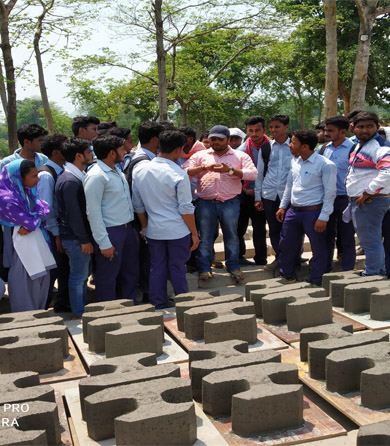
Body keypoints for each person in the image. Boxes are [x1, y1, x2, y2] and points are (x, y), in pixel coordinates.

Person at [133, 130, 199, 309]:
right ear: (178, 150)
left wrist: (145, 227)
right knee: (177, 266)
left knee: (157, 266)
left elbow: (137, 205)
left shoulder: (140, 170)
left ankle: (158, 301)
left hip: (154, 229)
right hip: (177, 230)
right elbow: (186, 208)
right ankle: (184, 302)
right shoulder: (178, 173)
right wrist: (194, 232)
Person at [183, 125, 257, 282]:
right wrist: (203, 168)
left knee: (231, 235)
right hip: (205, 202)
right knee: (205, 236)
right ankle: (204, 267)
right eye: (213, 139)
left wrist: (230, 171)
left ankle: (233, 266)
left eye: (219, 139)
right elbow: (184, 171)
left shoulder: (239, 156)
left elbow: (253, 174)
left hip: (230, 202)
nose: (215, 142)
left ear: (228, 140)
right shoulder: (201, 155)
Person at [276, 130, 337, 286]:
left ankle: (316, 279)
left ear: (304, 146)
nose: (290, 145)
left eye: (293, 143)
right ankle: (287, 275)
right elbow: (290, 185)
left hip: (314, 212)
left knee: (319, 247)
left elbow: (330, 193)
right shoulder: (295, 161)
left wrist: (324, 217)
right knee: (286, 244)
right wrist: (283, 206)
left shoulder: (326, 165)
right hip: (294, 211)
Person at [83, 134, 139, 302]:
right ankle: (108, 313)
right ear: (112, 153)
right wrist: (103, 242)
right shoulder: (96, 176)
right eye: (122, 149)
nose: (125, 151)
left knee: (130, 272)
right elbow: (93, 212)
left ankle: (129, 307)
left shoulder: (117, 171)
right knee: (107, 276)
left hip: (127, 229)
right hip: (111, 232)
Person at [0, 159, 55, 311]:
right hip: (20, 250)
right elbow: (33, 219)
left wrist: (34, 220)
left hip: (36, 244)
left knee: (41, 283)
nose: (38, 179)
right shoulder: (5, 198)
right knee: (24, 285)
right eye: (34, 176)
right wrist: (35, 220)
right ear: (19, 177)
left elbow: (45, 209)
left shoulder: (26, 191)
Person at [345, 111, 390, 276]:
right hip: (365, 200)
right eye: (360, 127)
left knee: (370, 241)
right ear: (353, 128)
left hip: (370, 201)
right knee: (371, 240)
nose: (365, 130)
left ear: (377, 127)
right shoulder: (360, 145)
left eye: (370, 126)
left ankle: (372, 274)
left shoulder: (380, 146)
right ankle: (378, 271)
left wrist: (367, 192)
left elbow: (387, 172)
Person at [55, 138, 94, 318]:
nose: (92, 154)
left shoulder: (76, 176)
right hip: (75, 238)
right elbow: (74, 215)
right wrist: (84, 240)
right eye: (88, 152)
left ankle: (81, 309)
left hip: (77, 237)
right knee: (78, 277)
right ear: (79, 156)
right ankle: (78, 312)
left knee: (82, 276)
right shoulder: (70, 181)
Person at [254, 114, 292, 271]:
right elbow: (259, 174)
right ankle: (280, 258)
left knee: (291, 229)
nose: (273, 130)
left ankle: (293, 257)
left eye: (277, 126)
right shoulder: (266, 147)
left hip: (289, 194)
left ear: (286, 127)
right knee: (274, 229)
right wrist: (258, 197)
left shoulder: (294, 146)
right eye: (271, 127)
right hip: (269, 194)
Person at [37, 134, 70, 311]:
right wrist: (56, 235)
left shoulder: (60, 171)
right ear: (57, 152)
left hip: (57, 231)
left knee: (63, 270)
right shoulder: (47, 175)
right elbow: (46, 210)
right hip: (51, 232)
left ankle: (61, 304)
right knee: (53, 272)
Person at [321, 116, 356, 272]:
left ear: (343, 131)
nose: (326, 133)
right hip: (325, 200)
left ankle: (347, 271)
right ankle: (325, 269)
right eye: (325, 130)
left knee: (347, 237)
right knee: (326, 237)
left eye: (330, 130)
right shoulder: (322, 149)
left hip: (345, 201)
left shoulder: (354, 149)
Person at [236, 116, 269, 266]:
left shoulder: (271, 148)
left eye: (257, 130)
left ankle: (261, 259)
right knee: (239, 229)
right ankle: (239, 257)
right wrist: (245, 189)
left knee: (260, 230)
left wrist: (258, 192)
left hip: (262, 196)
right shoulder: (240, 151)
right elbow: (234, 174)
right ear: (246, 131)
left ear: (264, 130)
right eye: (250, 130)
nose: (254, 133)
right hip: (243, 195)